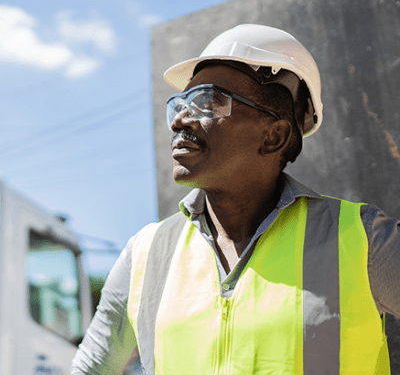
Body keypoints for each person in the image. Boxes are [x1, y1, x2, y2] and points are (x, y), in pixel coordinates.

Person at [71, 24, 400, 374]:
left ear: (274, 135)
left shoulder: (364, 240)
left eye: (208, 102)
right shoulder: (145, 255)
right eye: (180, 104)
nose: (180, 119)